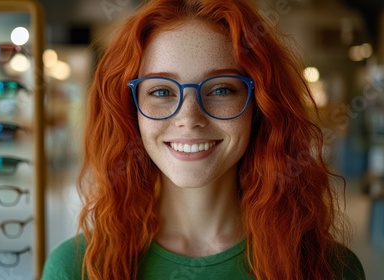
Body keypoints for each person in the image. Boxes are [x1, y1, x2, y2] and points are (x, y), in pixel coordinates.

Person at [41, 0, 365, 279]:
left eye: (222, 89)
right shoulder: (77, 268)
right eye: (162, 91)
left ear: (260, 108)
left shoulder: (327, 268)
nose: (190, 118)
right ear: (131, 112)